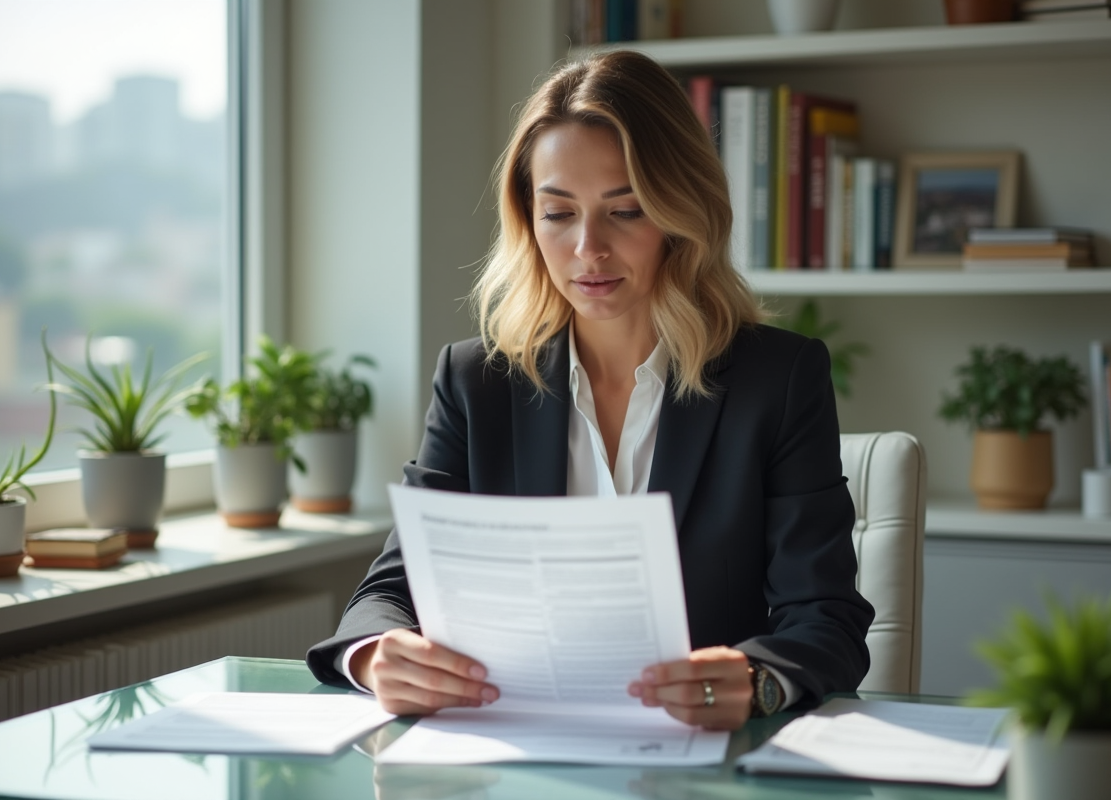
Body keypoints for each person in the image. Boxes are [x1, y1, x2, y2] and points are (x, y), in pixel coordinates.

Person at [307, 50, 873, 732]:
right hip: (515, 757)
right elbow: (387, 593)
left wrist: (759, 683)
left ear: (679, 210)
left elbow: (827, 622)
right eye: (558, 213)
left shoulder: (777, 380)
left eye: (625, 210)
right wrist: (374, 656)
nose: (588, 249)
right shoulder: (475, 383)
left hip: (703, 763)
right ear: (529, 221)